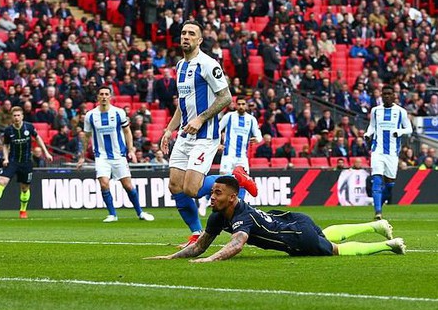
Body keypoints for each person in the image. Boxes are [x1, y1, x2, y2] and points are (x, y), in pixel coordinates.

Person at [146, 176, 405, 262]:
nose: (211, 197)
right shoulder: (218, 216)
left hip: (295, 236)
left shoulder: (241, 216)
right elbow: (200, 246)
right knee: (325, 234)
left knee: (334, 250)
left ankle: (388, 245)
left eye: (217, 193)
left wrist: (211, 260)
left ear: (233, 198)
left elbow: (237, 244)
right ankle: (376, 225)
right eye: (212, 192)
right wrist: (170, 258)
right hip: (294, 219)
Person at [160, 21, 257, 247]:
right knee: (175, 185)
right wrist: (168, 130)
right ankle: (196, 233)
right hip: (185, 135)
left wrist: (201, 118)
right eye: (183, 33)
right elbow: (182, 105)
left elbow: (226, 97)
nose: (186, 37)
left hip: (205, 135)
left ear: (200, 40)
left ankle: (238, 181)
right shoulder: (179, 66)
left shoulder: (208, 64)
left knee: (191, 189)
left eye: (191, 34)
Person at [77, 86, 154, 222]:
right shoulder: (90, 115)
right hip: (101, 156)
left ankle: (140, 212)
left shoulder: (119, 113)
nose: (104, 96)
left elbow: (127, 131)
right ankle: (112, 214)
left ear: (110, 96)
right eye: (101, 94)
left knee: (128, 185)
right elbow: (87, 136)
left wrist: (131, 150)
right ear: (97, 97)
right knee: (104, 184)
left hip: (119, 155)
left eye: (107, 94)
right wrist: (82, 156)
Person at [0, 106, 53, 219]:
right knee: (2, 181)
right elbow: (6, 145)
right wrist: (5, 158)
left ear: (22, 116)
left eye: (18, 115)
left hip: (26, 162)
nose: (16, 118)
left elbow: (38, 138)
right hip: (12, 161)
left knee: (25, 188)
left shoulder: (29, 127)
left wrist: (46, 153)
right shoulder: (8, 130)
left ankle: (23, 211)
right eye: (14, 115)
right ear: (12, 117)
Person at [365, 85, 413, 220]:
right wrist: (368, 134)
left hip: (392, 152)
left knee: (390, 184)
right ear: (381, 95)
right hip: (377, 151)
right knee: (377, 180)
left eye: (389, 94)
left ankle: (380, 203)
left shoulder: (401, 111)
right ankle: (378, 212)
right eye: (384, 93)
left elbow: (409, 129)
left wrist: (400, 132)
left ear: (394, 96)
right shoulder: (375, 111)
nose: (386, 96)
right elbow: (372, 126)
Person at [218, 99, 263, 189]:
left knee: (244, 181)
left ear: (246, 105)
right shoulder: (229, 116)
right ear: (235, 105)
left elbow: (258, 134)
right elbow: (217, 129)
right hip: (228, 154)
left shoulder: (251, 119)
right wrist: (218, 143)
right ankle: (206, 200)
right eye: (239, 104)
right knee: (223, 180)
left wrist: (258, 139)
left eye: (243, 104)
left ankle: (240, 202)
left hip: (242, 156)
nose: (241, 106)